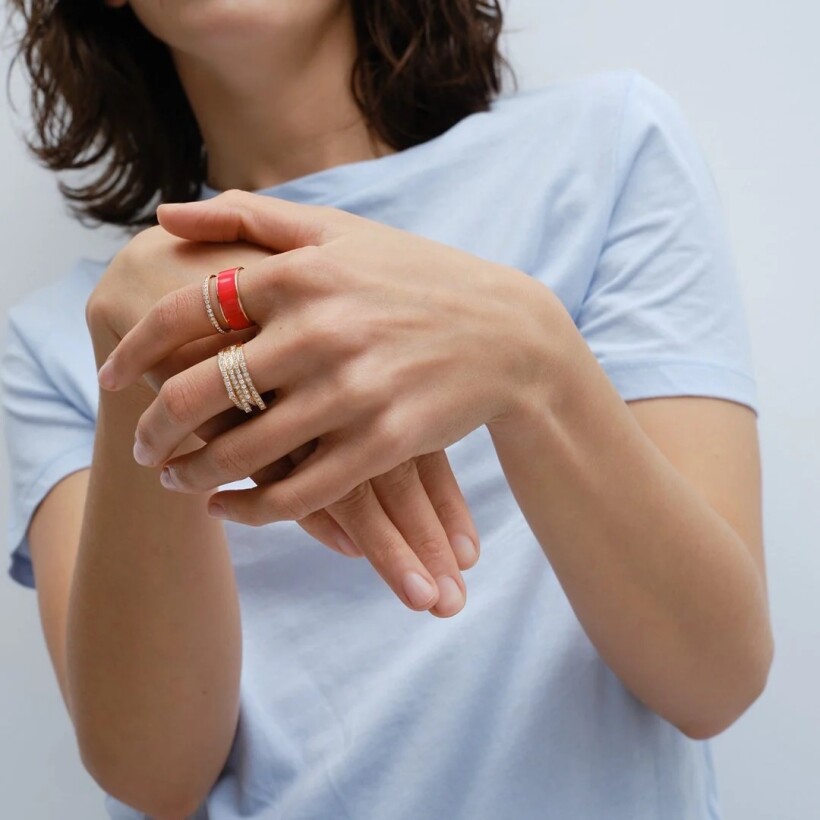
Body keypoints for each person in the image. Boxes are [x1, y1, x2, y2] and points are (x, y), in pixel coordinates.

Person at [2, 1, 773, 818]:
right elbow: (154, 776)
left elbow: (715, 679)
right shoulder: (64, 335)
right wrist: (153, 368)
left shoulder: (607, 149)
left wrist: (535, 365)